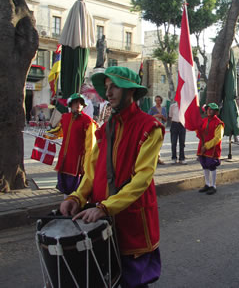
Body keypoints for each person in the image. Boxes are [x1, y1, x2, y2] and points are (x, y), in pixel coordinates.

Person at [60, 66, 164, 287]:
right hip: (100, 217)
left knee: (132, 282)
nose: (108, 92)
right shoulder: (105, 128)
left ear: (131, 91)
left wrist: (105, 207)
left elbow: (142, 179)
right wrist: (77, 197)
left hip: (132, 218)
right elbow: (92, 171)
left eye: (115, 86)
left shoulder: (150, 127)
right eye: (107, 87)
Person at [47, 93, 97, 197]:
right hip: (64, 158)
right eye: (75, 102)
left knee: (76, 189)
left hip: (78, 160)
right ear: (70, 105)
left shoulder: (88, 121)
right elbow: (59, 131)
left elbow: (90, 145)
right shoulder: (65, 117)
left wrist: (87, 164)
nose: (78, 105)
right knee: (64, 187)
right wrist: (46, 135)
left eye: (80, 103)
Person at [197, 103, 224, 195]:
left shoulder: (219, 123)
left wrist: (207, 146)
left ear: (216, 112)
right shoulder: (204, 120)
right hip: (202, 146)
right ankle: (207, 184)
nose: (209, 110)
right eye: (208, 109)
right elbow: (199, 132)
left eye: (211, 109)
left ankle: (213, 185)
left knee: (211, 165)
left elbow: (218, 138)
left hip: (212, 148)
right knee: (204, 164)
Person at [148, 95, 167, 164]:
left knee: (160, 143)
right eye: (156, 100)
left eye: (159, 100)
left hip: (161, 127)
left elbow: (165, 119)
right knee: (153, 142)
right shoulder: (152, 109)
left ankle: (158, 158)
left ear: (161, 101)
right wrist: (155, 116)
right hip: (154, 128)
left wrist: (162, 116)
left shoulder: (164, 109)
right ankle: (153, 158)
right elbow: (148, 117)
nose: (157, 102)